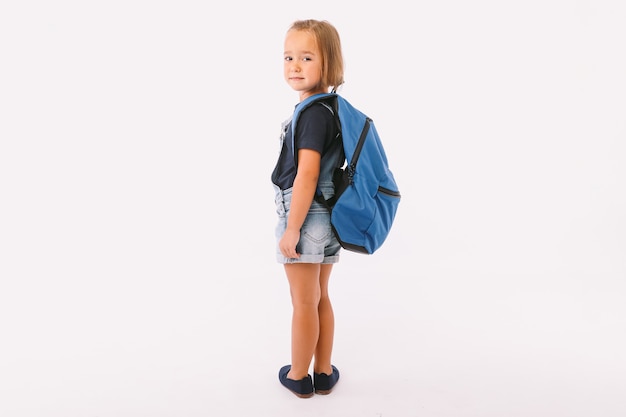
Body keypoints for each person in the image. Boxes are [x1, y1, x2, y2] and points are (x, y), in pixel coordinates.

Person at [270, 19, 345, 398]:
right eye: (288, 57)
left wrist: (293, 227)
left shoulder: (313, 113)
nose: (294, 66)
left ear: (328, 64)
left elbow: (308, 174)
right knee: (319, 297)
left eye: (306, 57)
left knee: (303, 300)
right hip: (327, 215)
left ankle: (299, 376)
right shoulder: (329, 109)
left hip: (307, 214)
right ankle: (324, 371)